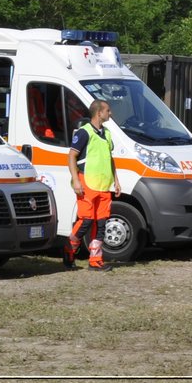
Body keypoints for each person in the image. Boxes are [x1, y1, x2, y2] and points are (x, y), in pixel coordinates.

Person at [65, 99, 118, 272]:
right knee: (86, 221)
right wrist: (76, 180)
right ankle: (69, 251)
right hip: (87, 183)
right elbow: (72, 156)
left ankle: (95, 260)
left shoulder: (107, 133)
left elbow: (110, 158)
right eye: (108, 111)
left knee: (101, 223)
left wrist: (116, 180)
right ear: (99, 113)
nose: (110, 113)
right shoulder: (84, 132)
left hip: (104, 185)